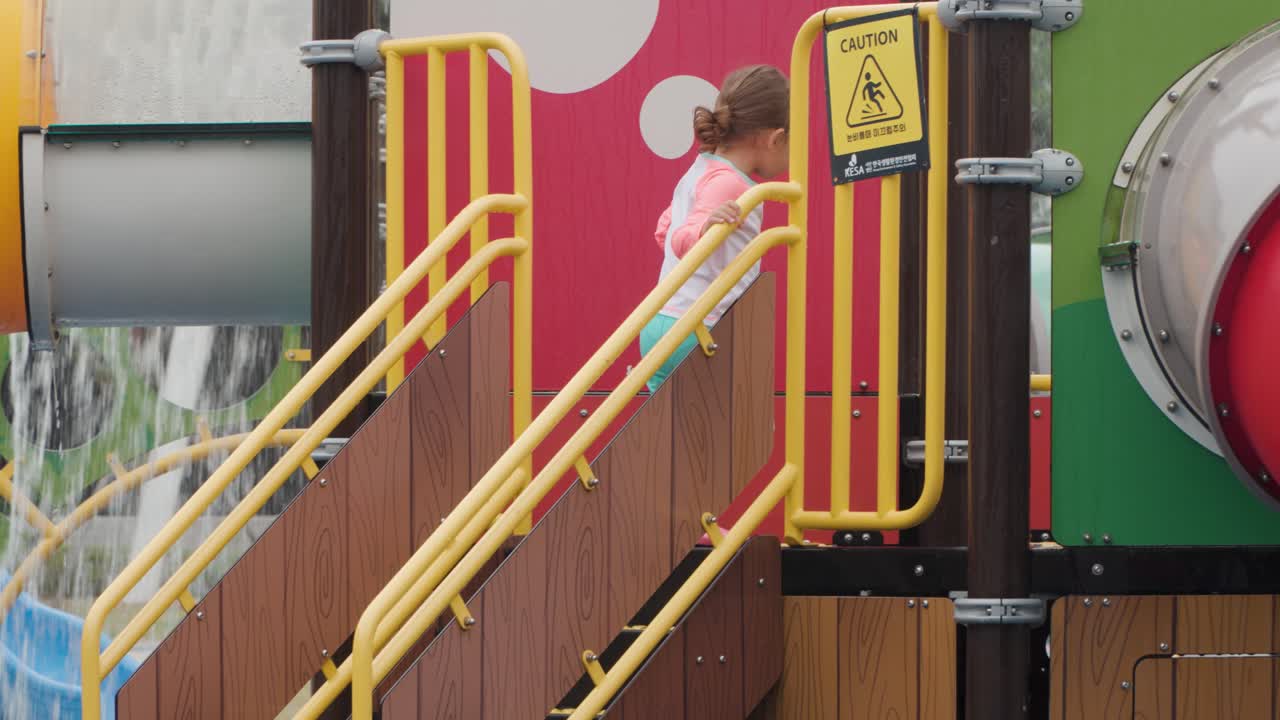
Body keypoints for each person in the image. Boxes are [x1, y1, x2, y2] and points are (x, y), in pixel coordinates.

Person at [639, 64, 789, 394]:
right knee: (724, 421)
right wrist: (704, 231)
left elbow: (664, 230)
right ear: (776, 139)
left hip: (663, 319)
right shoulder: (730, 184)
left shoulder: (700, 169)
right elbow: (680, 239)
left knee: (669, 424)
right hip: (698, 329)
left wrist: (697, 231)